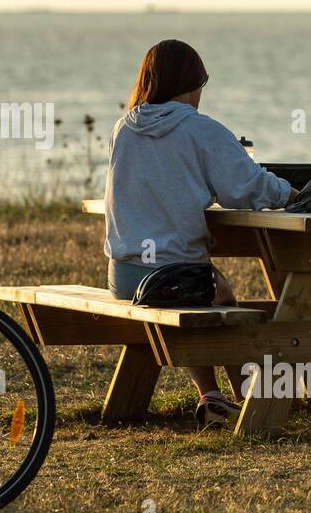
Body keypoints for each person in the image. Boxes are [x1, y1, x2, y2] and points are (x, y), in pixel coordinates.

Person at [104, 39, 296, 427]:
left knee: (207, 292)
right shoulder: (201, 129)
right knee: (219, 297)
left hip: (123, 276)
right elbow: (245, 188)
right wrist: (291, 193)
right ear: (193, 83)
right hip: (175, 276)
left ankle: (211, 397)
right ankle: (249, 398)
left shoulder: (123, 127)